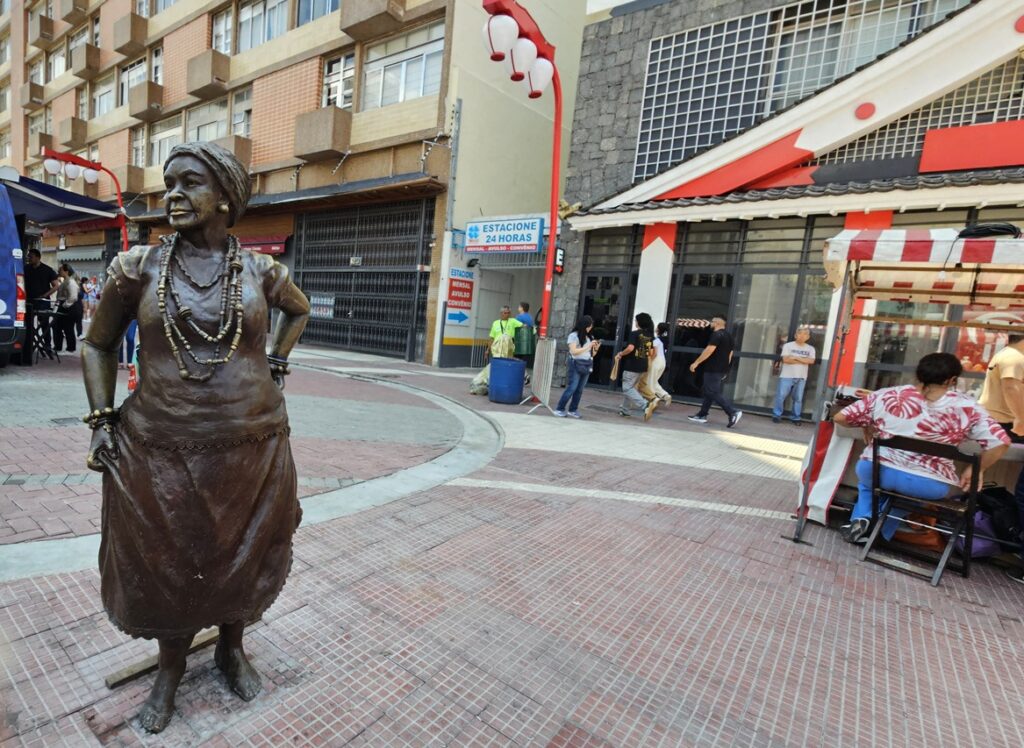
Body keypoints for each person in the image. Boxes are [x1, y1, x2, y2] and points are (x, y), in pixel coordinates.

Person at [80, 142, 310, 733]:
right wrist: (102, 418)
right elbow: (97, 342)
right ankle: (170, 670)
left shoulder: (262, 271)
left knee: (246, 553)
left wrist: (276, 362)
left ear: (225, 198)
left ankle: (233, 649)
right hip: (162, 446)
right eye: (168, 184)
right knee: (173, 564)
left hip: (254, 444)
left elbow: (298, 309)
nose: (173, 196)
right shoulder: (137, 268)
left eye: (189, 184)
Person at [834, 353, 1010, 544]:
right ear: (952, 380)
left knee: (868, 485)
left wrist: (867, 424)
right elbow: (1001, 442)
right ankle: (877, 533)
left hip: (875, 470)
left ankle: (864, 522)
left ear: (918, 374)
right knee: (911, 497)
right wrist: (978, 469)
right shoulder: (967, 407)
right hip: (924, 483)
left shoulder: (889, 394)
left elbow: (841, 417)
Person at [978, 333, 1024, 583]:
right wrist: (1022, 420)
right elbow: (1011, 386)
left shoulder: (1008, 355)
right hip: (1003, 425)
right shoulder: (1015, 357)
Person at [688, 316, 742, 428]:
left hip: (713, 368)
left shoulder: (717, 335)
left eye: (712, 322)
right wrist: (726, 368)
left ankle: (732, 412)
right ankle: (702, 415)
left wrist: (696, 363)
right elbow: (730, 354)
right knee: (708, 391)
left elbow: (709, 350)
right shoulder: (729, 336)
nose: (710, 323)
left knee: (712, 392)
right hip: (720, 369)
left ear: (717, 323)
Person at [553, 315, 600, 418]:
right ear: (583, 325)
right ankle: (559, 408)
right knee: (572, 387)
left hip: (586, 363)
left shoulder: (589, 337)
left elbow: (592, 354)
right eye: (588, 326)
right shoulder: (574, 335)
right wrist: (588, 346)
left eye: (591, 327)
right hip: (575, 363)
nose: (589, 328)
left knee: (580, 389)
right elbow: (573, 351)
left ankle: (573, 409)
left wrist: (596, 348)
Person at [21, 248, 60, 364]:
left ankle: (47, 345)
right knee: (27, 323)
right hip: (28, 301)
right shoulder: (26, 269)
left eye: (31, 257)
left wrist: (45, 295)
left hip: (43, 301)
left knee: (44, 324)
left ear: (38, 257)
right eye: (28, 257)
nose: (29, 259)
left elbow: (56, 286)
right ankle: (27, 345)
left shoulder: (48, 270)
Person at [773, 326, 816, 425]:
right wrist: (803, 360)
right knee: (780, 396)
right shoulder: (788, 346)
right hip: (786, 376)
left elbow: (811, 361)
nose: (802, 336)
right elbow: (786, 360)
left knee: (798, 399)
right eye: (800, 333)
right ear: (796, 335)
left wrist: (796, 357)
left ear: (808, 337)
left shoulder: (810, 349)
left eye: (805, 334)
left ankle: (795, 418)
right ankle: (776, 415)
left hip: (801, 377)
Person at [615, 312, 654, 418]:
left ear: (639, 322)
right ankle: (625, 410)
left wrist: (621, 354)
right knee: (631, 388)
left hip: (632, 364)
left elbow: (630, 348)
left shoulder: (634, 334)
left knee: (627, 388)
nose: (635, 322)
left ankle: (645, 404)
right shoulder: (650, 335)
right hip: (643, 365)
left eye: (636, 320)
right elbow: (650, 352)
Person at [52, 263, 82, 353]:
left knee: (67, 327)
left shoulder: (71, 282)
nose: (58, 271)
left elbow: (73, 297)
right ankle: (59, 346)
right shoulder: (66, 281)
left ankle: (70, 347)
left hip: (68, 307)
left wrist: (65, 305)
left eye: (60, 270)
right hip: (64, 305)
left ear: (66, 271)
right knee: (57, 326)